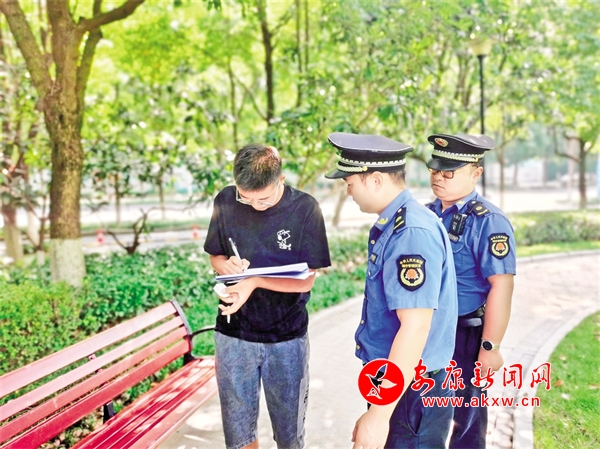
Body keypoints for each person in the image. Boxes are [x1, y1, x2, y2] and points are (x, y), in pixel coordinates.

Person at [325, 132, 458, 448]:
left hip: (410, 392)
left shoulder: (410, 232)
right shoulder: (399, 222)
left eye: (350, 182)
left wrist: (379, 414)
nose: (347, 189)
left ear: (375, 180)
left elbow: (415, 327)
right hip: (399, 382)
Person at [203, 143, 331, 449]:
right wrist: (226, 265)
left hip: (286, 338)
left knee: (289, 435)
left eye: (264, 198)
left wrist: (254, 281)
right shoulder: (225, 200)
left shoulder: (305, 209)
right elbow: (216, 255)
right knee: (239, 435)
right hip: (234, 336)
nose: (254, 205)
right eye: (245, 197)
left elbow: (307, 281)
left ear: (281, 180)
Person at [425, 133, 516, 449]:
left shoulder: (489, 222)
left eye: (449, 172)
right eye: (435, 169)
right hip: (424, 332)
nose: (439, 177)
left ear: (476, 173)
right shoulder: (426, 214)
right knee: (422, 415)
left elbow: (501, 285)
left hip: (464, 337)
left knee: (465, 423)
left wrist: (490, 347)